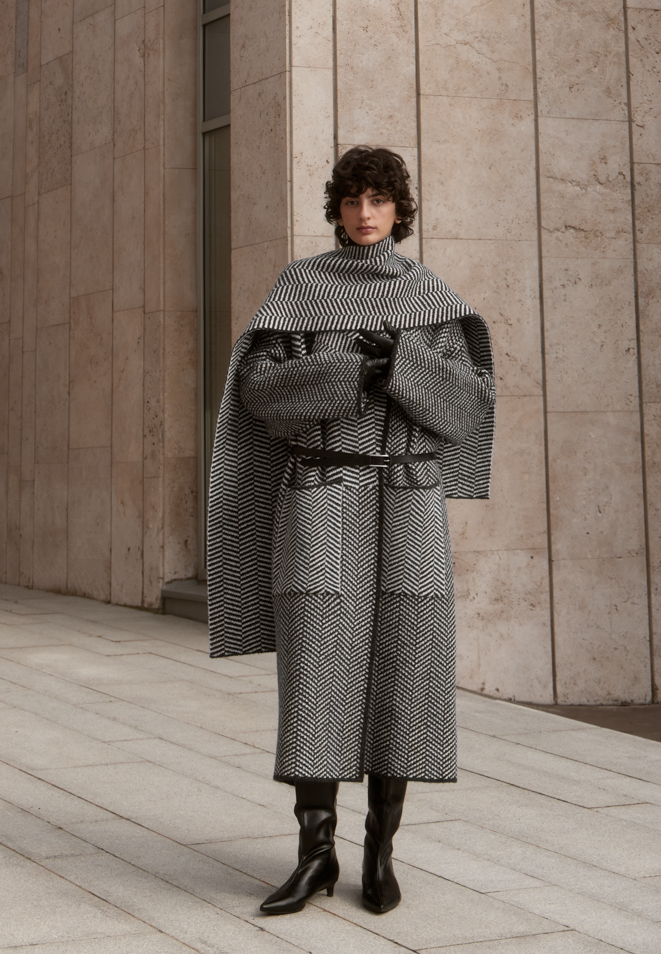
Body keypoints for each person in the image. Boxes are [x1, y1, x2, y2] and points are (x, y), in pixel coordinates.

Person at [205, 145, 495, 916]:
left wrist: (405, 364)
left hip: (408, 499)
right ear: (335, 209)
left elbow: (468, 407)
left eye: (379, 200)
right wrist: (348, 375)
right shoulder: (299, 288)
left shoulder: (429, 296)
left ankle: (380, 853)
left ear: (400, 209)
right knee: (316, 671)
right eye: (352, 200)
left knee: (407, 668)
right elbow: (260, 393)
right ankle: (315, 857)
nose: (365, 214)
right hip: (319, 495)